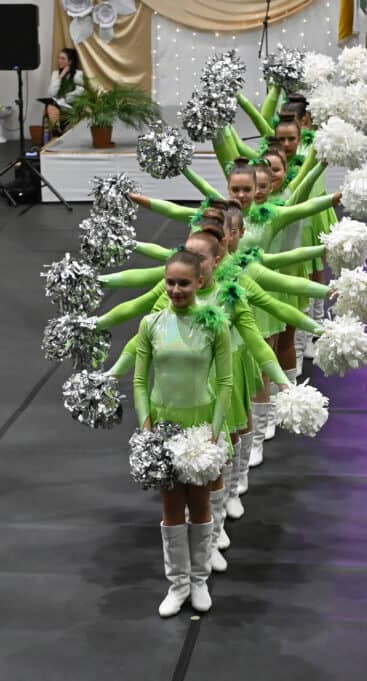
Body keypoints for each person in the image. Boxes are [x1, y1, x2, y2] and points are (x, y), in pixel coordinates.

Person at [133, 249, 233, 617]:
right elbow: (140, 381)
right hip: (164, 424)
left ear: (199, 282)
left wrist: (214, 431)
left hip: (201, 425)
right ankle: (177, 585)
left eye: (184, 283)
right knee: (172, 507)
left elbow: (225, 382)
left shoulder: (215, 324)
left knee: (201, 504)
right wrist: (147, 426)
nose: (176, 290)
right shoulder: (151, 324)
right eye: (170, 282)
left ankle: (199, 580)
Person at [39, 47, 84, 140]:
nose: (59, 60)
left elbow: (80, 92)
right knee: (50, 106)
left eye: (63, 58)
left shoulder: (78, 74)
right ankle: (57, 132)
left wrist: (64, 98)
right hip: (57, 105)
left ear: (70, 61)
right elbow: (52, 93)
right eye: (59, 58)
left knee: (52, 106)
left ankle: (57, 135)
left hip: (71, 105)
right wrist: (61, 76)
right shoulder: (55, 74)